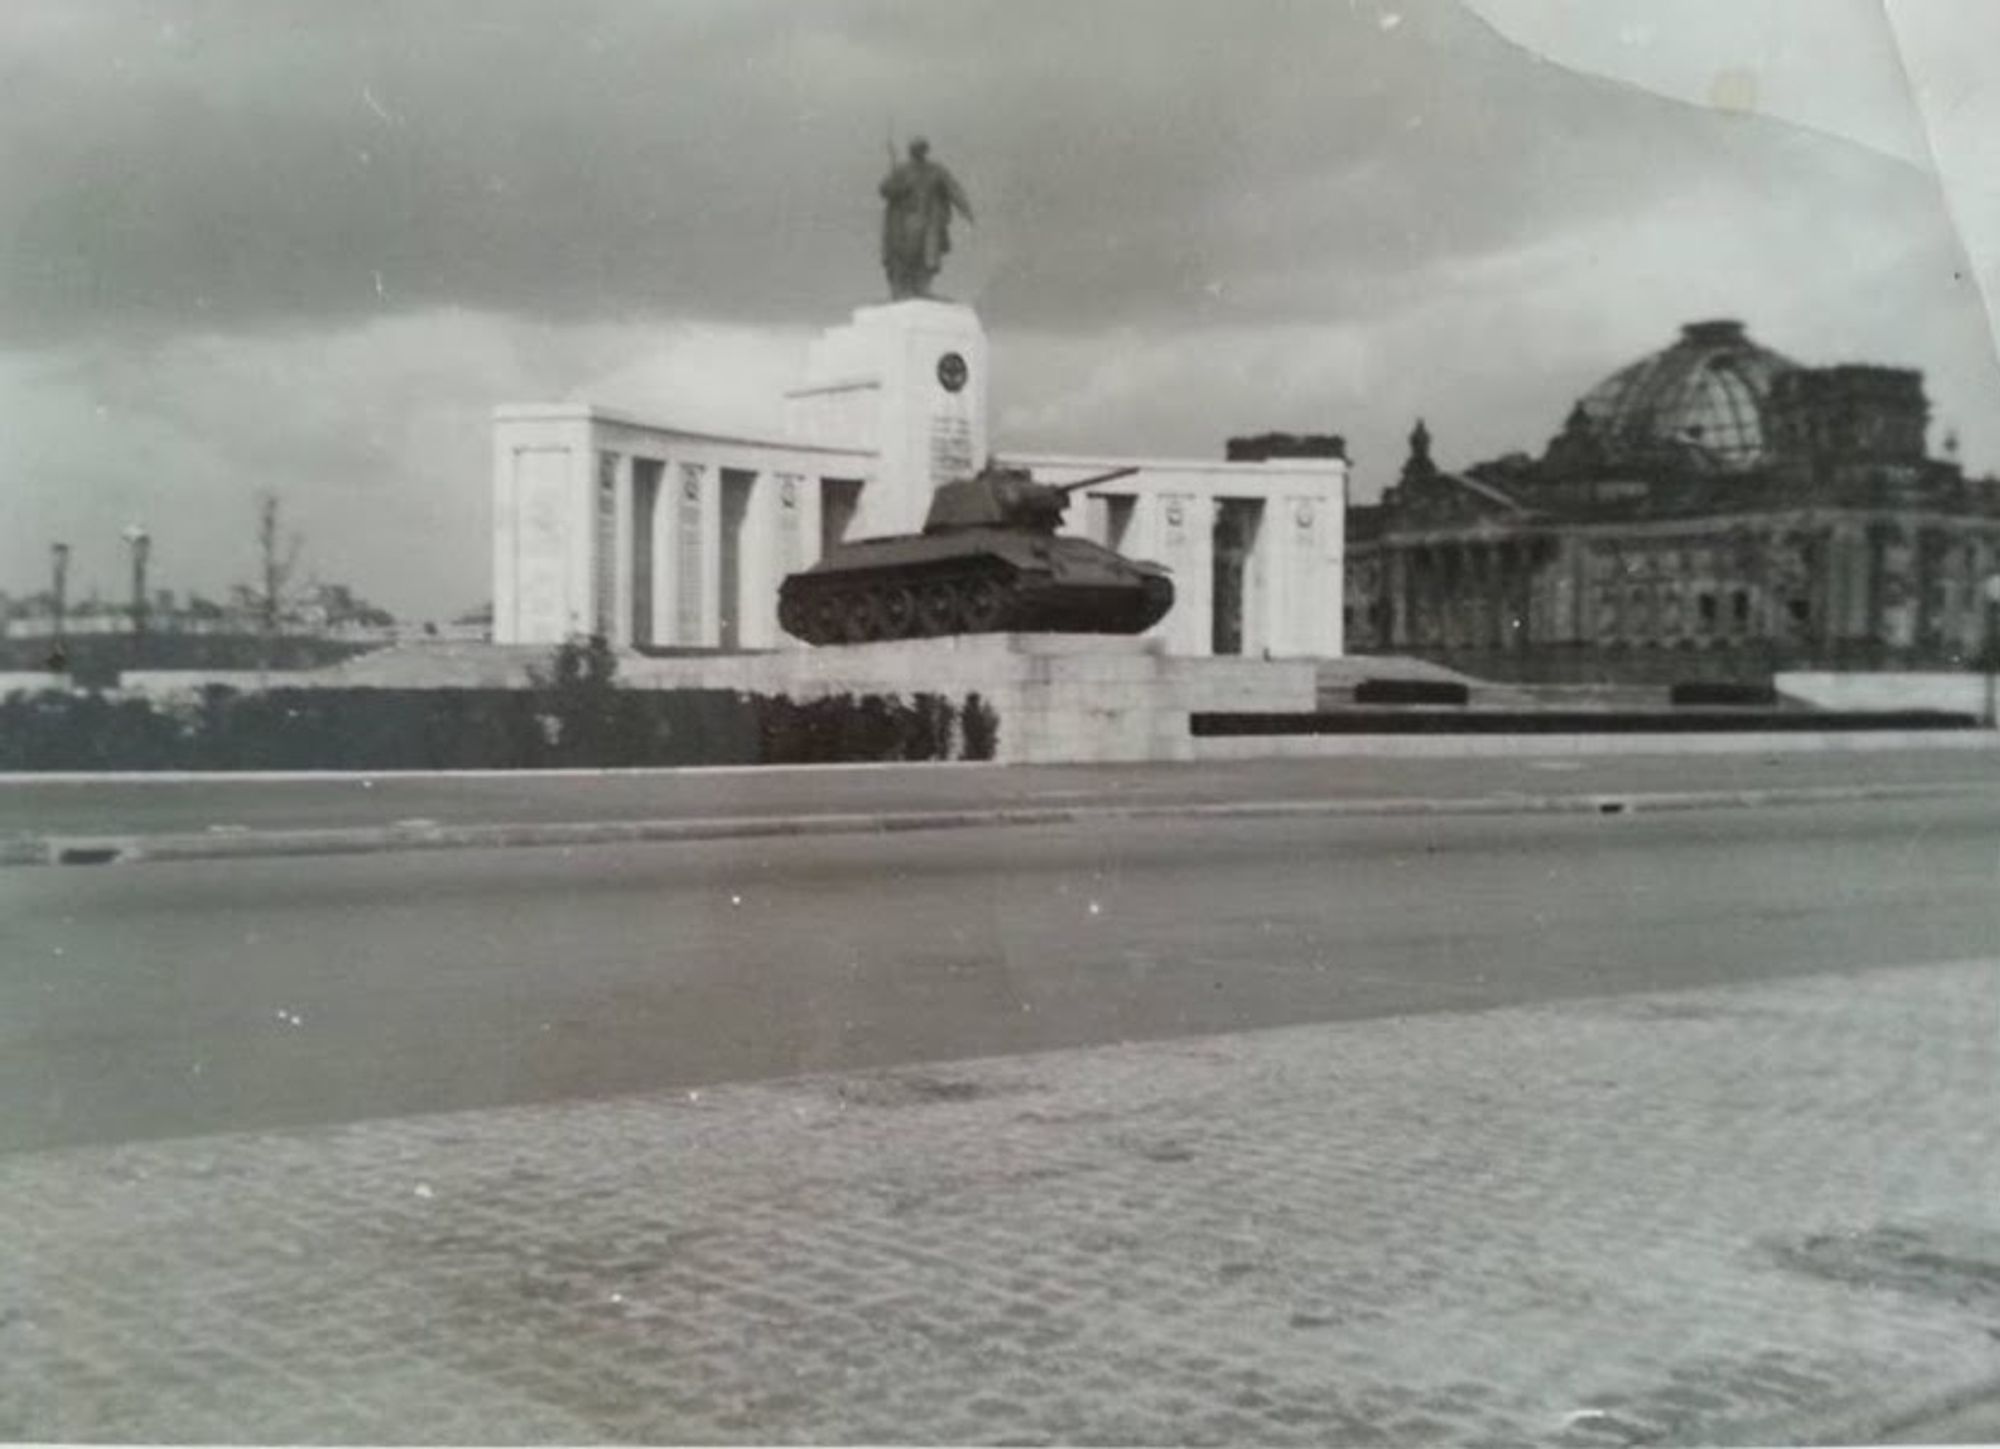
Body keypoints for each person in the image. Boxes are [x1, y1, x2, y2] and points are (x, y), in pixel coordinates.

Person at [879, 138, 973, 300]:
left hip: (929, 222)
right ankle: (902, 289)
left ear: (925, 151)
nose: (917, 152)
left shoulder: (936, 170)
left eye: (920, 149)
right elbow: (885, 190)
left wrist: (965, 209)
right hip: (904, 223)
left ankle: (922, 288)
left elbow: (953, 189)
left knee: (927, 257)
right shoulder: (902, 170)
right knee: (902, 254)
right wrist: (897, 187)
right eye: (915, 149)